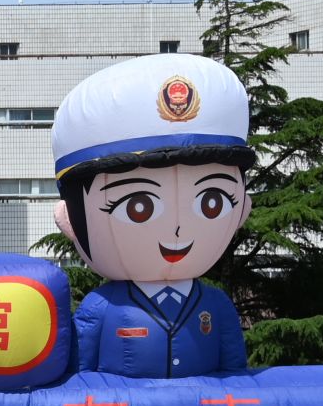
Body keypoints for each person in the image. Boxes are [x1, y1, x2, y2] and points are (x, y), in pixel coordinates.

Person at [52, 52, 254, 378]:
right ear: (70, 221)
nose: (178, 229)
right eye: (138, 207)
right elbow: (79, 376)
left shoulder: (215, 305)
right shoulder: (101, 307)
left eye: (212, 202)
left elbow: (235, 373)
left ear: (241, 209)